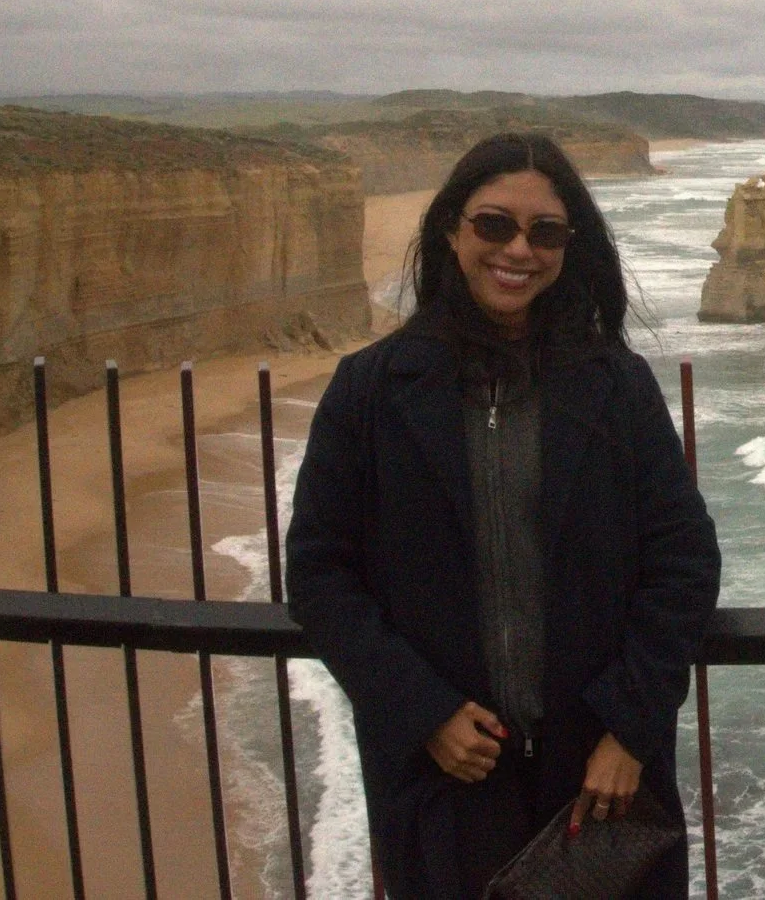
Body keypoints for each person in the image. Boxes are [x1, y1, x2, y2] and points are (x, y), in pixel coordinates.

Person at [287, 132, 721, 898]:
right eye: (494, 224)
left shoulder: (613, 387)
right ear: (452, 229)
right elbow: (320, 571)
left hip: (598, 779)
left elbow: (682, 559)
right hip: (445, 771)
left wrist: (628, 729)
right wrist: (422, 712)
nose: (518, 249)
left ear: (567, 247)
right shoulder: (372, 390)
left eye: (544, 232)